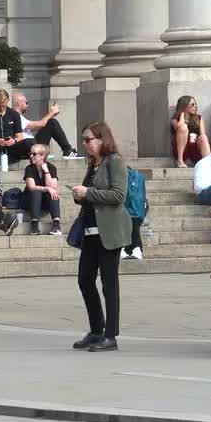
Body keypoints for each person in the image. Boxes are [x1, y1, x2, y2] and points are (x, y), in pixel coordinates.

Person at [71, 121, 130, 353]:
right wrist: (79, 196)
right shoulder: (94, 164)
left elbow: (118, 195)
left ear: (101, 139)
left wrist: (88, 193)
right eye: (84, 140)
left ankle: (110, 336)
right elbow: (92, 196)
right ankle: (96, 330)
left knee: (109, 284)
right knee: (84, 279)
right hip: (91, 233)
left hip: (109, 232)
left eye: (88, 140)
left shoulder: (114, 162)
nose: (85, 144)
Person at [12, 93, 82, 158]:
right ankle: (67, 150)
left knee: (50, 122)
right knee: (51, 122)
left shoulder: (17, 116)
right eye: (26, 102)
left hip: (31, 145)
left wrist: (51, 114)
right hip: (28, 147)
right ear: (19, 104)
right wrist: (52, 113)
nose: (28, 105)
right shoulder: (15, 116)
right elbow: (39, 125)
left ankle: (67, 150)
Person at [23, 143, 62, 235]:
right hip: (30, 200)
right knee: (36, 191)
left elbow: (52, 186)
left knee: (54, 192)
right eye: (31, 154)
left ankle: (56, 225)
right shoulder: (29, 168)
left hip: (45, 201)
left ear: (42, 156)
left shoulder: (51, 168)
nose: (31, 156)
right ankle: (34, 226)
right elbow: (31, 186)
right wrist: (47, 189)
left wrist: (46, 171)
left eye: (34, 154)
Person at [171, 95, 209, 167]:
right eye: (192, 104)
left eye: (195, 104)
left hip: (194, 147)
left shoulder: (198, 118)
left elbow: (203, 135)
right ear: (184, 106)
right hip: (182, 150)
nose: (195, 106)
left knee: (203, 137)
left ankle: (208, 164)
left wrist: (196, 139)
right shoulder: (175, 119)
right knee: (183, 127)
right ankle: (180, 161)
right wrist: (182, 115)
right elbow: (178, 126)